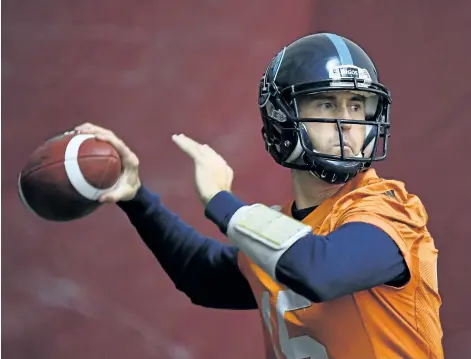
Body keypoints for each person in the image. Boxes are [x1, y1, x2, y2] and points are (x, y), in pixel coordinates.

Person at [75, 32, 443, 359]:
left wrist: (221, 199)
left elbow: (320, 271)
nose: (347, 121)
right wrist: (135, 196)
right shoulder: (278, 236)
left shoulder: (393, 209)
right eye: (326, 104)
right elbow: (200, 274)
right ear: (281, 119)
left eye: (357, 105)